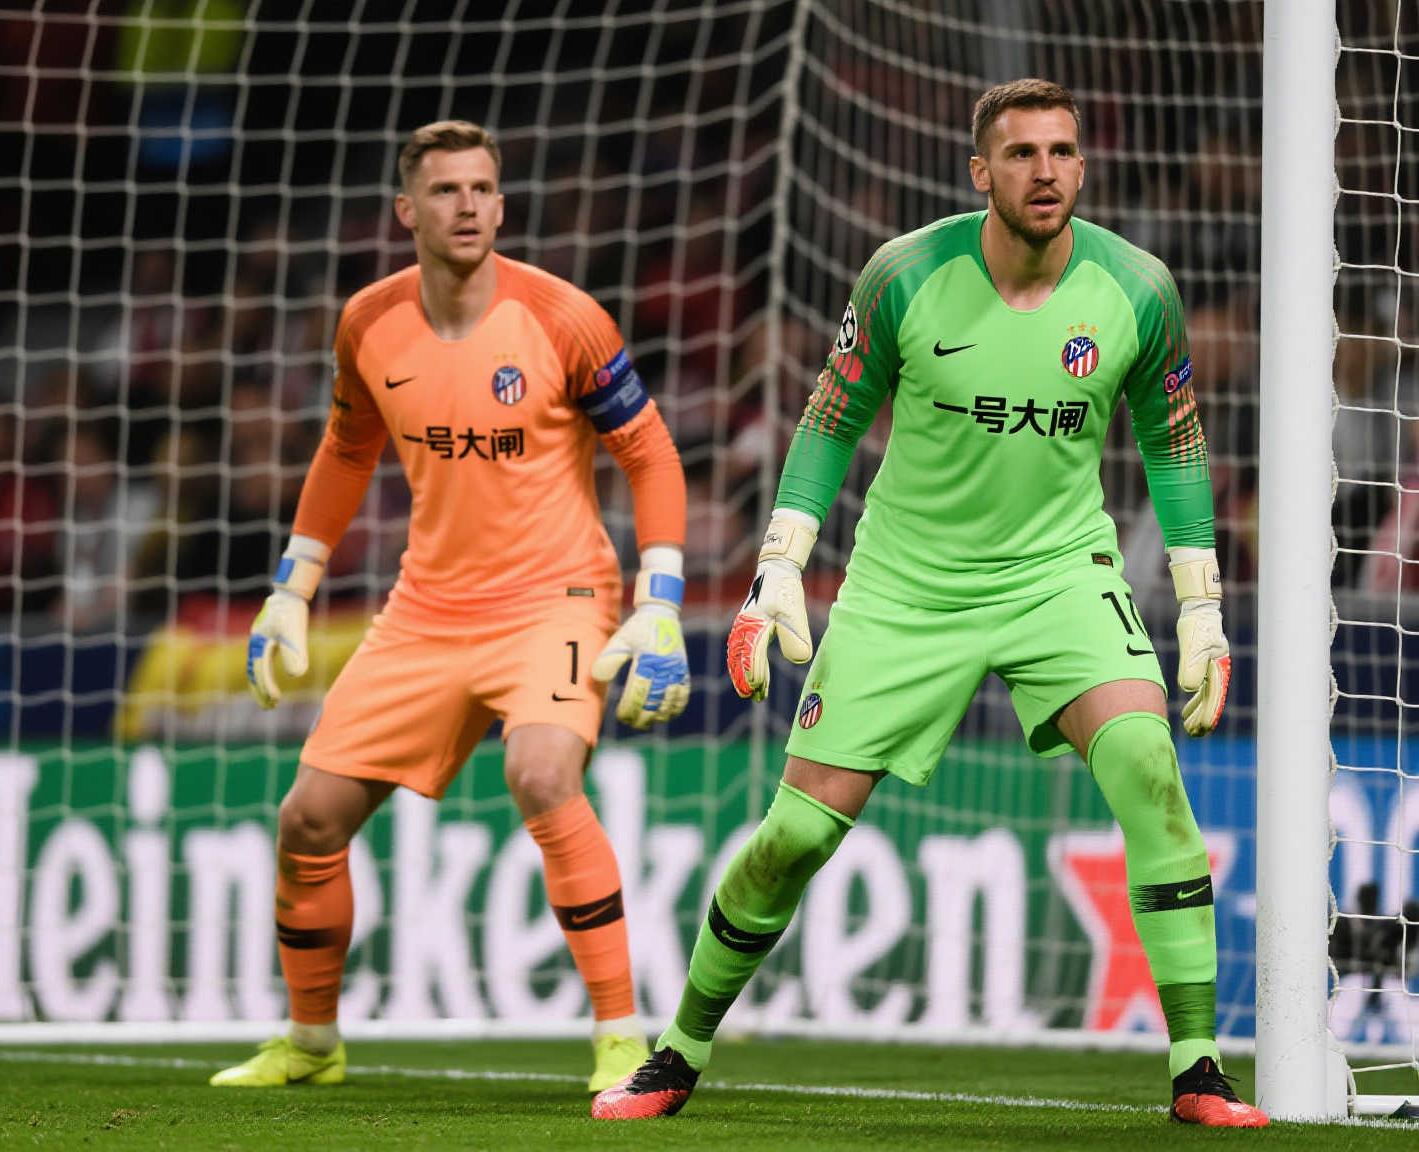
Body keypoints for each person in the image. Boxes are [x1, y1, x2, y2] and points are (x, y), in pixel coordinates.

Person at [594, 79, 1269, 1128]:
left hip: (1059, 574)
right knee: (794, 837)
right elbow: (828, 418)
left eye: (1061, 152)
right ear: (979, 171)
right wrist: (779, 565)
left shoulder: (1136, 288)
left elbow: (1173, 442)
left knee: (1147, 764)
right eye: (1021, 154)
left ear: (1082, 166)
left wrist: (1200, 607)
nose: (1044, 171)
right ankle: (677, 1052)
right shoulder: (905, 274)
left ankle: (1198, 1070)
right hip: (906, 584)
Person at [211, 121, 690, 1094]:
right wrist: (292, 586)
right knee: (308, 819)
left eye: (480, 189)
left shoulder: (563, 318)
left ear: (501, 206)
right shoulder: (368, 322)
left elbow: (649, 453)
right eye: (444, 190)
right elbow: (347, 448)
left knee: (542, 773)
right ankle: (311, 1045)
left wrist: (661, 599)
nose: (466, 206)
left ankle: (619, 1036)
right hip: (426, 609)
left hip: (555, 598)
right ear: (407, 210)